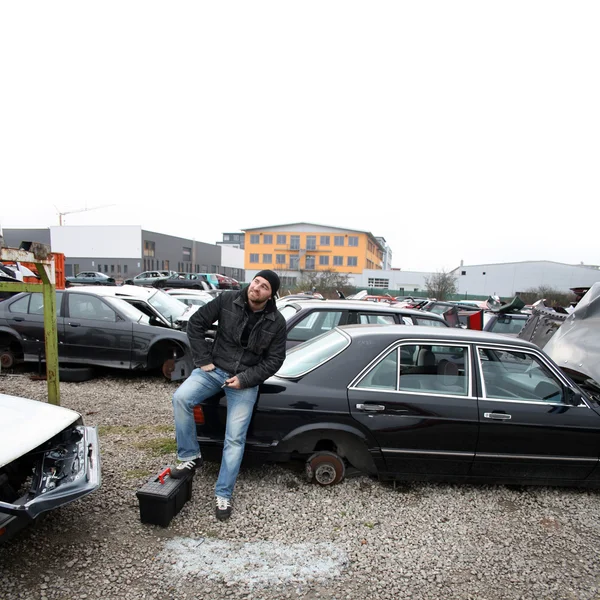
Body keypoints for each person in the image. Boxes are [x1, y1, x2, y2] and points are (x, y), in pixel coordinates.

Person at [170, 270, 286, 521]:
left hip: (244, 381)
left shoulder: (276, 322)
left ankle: (223, 494)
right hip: (214, 370)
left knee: (235, 438)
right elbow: (196, 323)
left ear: (270, 294)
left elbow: (275, 360)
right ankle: (190, 456)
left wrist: (245, 379)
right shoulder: (227, 300)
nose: (256, 288)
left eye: (264, 286)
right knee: (181, 398)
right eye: (256, 282)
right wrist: (203, 360)